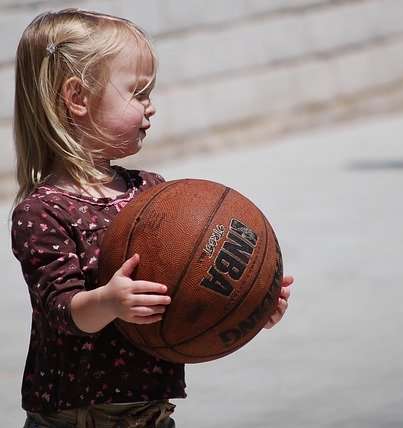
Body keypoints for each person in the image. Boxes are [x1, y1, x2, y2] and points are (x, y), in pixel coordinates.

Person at [10, 9, 293, 428]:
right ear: (78, 98)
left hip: (150, 413)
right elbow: (62, 310)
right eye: (139, 92)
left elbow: (184, 292)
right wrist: (110, 301)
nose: (151, 107)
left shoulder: (150, 191)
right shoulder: (43, 211)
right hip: (76, 416)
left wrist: (248, 301)